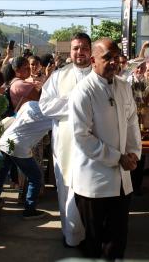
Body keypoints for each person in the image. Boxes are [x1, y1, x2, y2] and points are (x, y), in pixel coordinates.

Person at [69, 38, 142, 259]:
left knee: (118, 239)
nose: (113, 62)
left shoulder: (124, 86)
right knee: (94, 240)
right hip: (94, 183)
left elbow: (132, 122)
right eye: (107, 57)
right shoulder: (83, 92)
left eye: (116, 57)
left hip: (121, 179)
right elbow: (82, 137)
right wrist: (117, 157)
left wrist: (133, 154)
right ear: (93, 60)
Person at [39, 32, 92, 247]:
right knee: (67, 187)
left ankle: (91, 234)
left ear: (90, 51)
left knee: (90, 189)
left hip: (92, 144)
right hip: (67, 144)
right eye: (76, 48)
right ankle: (71, 235)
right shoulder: (59, 76)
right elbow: (45, 106)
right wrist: (74, 102)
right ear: (70, 51)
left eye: (84, 48)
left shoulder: (99, 76)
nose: (80, 52)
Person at [0, 101, 51, 219]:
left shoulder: (29, 104)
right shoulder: (52, 116)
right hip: (20, 147)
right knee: (35, 177)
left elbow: (15, 117)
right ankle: (29, 210)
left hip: (5, 141)